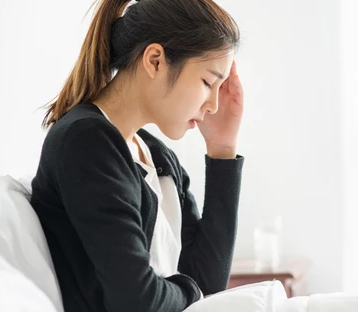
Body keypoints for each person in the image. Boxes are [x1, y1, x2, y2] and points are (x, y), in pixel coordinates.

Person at [30, 0, 244, 311]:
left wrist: (223, 149)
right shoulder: (88, 142)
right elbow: (137, 300)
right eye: (208, 82)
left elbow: (208, 280)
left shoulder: (157, 155)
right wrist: (189, 290)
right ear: (155, 61)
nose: (213, 104)